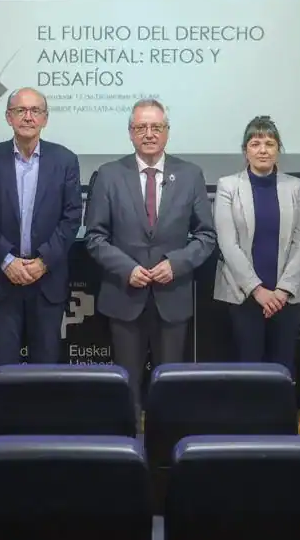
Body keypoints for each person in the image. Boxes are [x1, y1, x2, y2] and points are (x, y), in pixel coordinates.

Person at [84, 99, 216, 409]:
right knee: (126, 388)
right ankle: (128, 449)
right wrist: (126, 268)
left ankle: (164, 452)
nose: (149, 133)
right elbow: (94, 236)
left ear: (167, 132)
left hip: (172, 296)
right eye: (141, 127)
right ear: (130, 133)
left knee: (168, 387)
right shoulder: (108, 174)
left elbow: (206, 235)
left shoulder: (190, 174)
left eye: (156, 127)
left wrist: (176, 263)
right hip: (124, 296)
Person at [0, 87, 82, 367]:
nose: (28, 117)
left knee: (46, 367)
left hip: (47, 281)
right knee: (3, 368)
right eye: (20, 111)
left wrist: (43, 261)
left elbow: (72, 217)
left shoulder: (65, 161)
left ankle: (44, 414)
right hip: (1, 280)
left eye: (35, 111)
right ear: (9, 117)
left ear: (45, 118)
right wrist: (7, 261)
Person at [213, 115, 300, 376]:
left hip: (286, 297)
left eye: (269, 143)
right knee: (249, 369)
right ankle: (249, 418)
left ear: (278, 149)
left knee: (283, 368)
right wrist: (258, 290)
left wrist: (281, 291)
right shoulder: (228, 186)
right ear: (245, 150)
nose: (263, 150)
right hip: (242, 294)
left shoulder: (296, 186)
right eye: (255, 143)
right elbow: (227, 243)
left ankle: (282, 418)